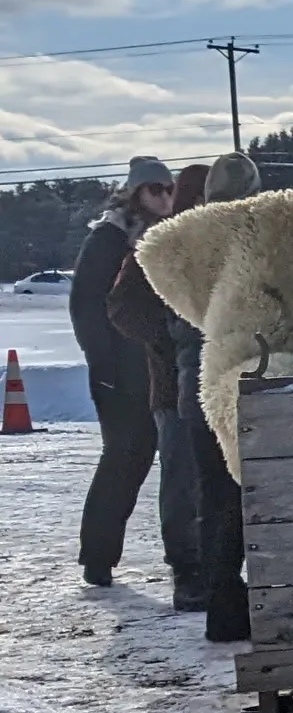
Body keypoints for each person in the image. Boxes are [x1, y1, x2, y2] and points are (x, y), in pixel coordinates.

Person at [106, 163, 209, 609]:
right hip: (173, 387)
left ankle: (219, 568)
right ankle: (187, 572)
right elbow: (121, 307)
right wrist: (170, 337)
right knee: (183, 482)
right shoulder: (158, 247)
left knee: (222, 485)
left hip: (226, 384)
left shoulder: (229, 242)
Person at [71, 157, 176, 586]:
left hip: (153, 369)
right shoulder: (109, 239)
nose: (164, 196)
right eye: (155, 188)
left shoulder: (164, 237)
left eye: (169, 188)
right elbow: (84, 306)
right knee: (124, 458)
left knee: (155, 458)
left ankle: (173, 558)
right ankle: (97, 557)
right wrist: (105, 365)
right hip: (119, 372)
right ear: (134, 192)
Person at [184, 151, 263, 643]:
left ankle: (223, 608)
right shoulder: (255, 239)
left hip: (192, 384)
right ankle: (252, 604)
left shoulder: (184, 240)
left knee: (218, 499)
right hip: (238, 382)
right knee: (249, 496)